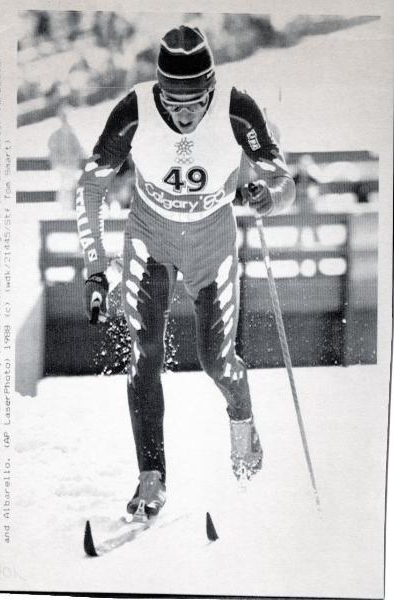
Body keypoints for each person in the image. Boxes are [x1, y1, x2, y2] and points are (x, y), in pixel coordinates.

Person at [76, 26, 295, 521]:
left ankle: (243, 422)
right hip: (150, 237)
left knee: (215, 361)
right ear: (158, 91)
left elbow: (285, 179)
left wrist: (268, 195)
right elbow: (89, 186)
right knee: (144, 352)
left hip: (212, 243)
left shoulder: (238, 108)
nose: (184, 114)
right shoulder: (133, 109)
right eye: (173, 102)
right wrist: (94, 269)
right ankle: (151, 477)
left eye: (195, 101)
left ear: (211, 89)